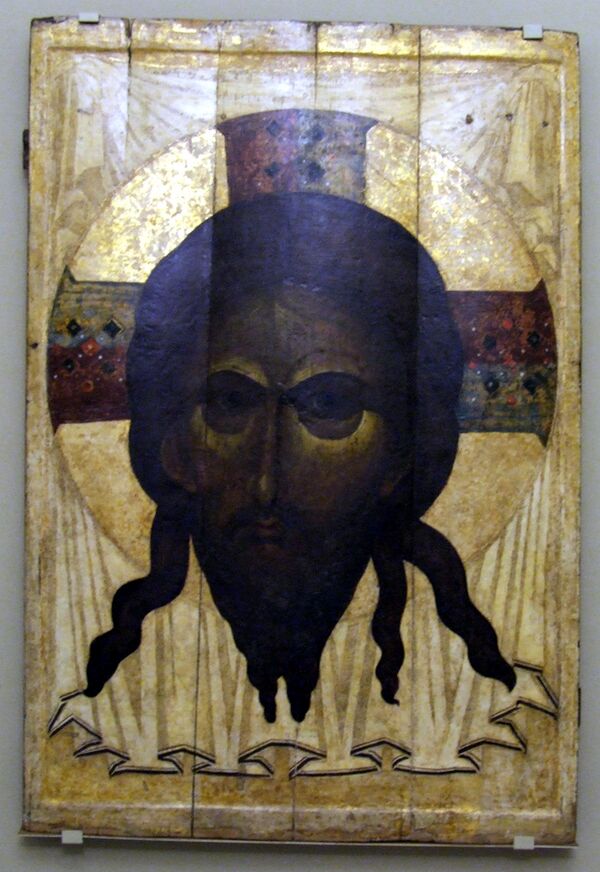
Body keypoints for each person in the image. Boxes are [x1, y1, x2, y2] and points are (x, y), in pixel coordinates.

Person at [84, 192, 516, 723]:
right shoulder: (130, 684)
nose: (267, 483)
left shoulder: (457, 697)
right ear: (173, 449)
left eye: (329, 403)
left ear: (401, 455)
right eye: (230, 402)